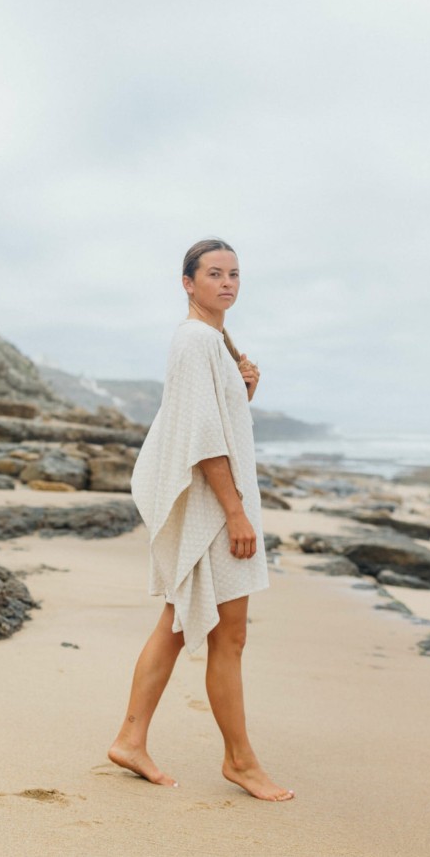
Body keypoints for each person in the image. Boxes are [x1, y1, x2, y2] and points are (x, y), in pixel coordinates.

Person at [108, 238, 294, 802]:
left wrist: (242, 393)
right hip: (216, 510)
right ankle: (240, 761)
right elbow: (203, 440)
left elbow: (214, 422)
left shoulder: (211, 342)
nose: (228, 282)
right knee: (228, 635)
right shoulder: (193, 341)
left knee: (179, 623)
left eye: (235, 274)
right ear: (187, 283)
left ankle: (130, 739)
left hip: (217, 505)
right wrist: (236, 513)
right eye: (214, 273)